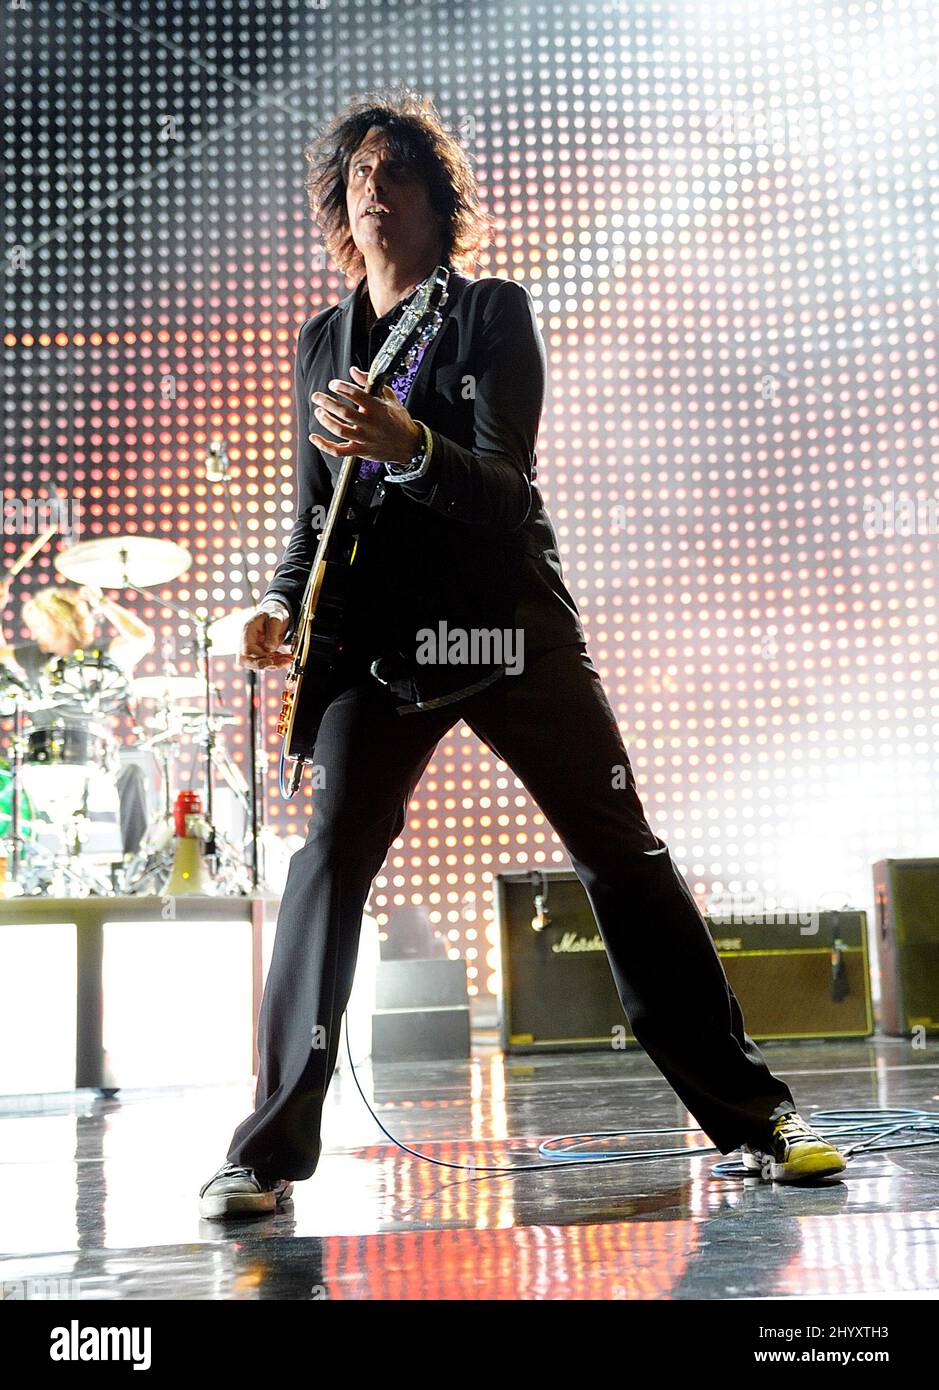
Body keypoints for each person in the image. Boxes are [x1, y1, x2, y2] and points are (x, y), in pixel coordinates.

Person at [198, 90, 846, 1220]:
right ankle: (264, 1152)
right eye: (357, 172)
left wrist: (412, 446)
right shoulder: (323, 342)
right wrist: (273, 602)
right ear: (339, 207)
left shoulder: (490, 314)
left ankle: (759, 1116)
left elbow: (505, 490)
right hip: (383, 646)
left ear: (441, 204)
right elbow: (311, 526)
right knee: (327, 863)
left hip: (505, 629)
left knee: (620, 851)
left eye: (397, 170)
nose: (373, 185)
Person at [0, 580, 154, 855]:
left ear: (59, 621)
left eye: (39, 625)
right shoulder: (33, 656)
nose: (34, 633)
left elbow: (142, 638)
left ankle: (134, 865)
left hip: (96, 766)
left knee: (132, 774)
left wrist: (103, 604)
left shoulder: (102, 655)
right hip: (40, 768)